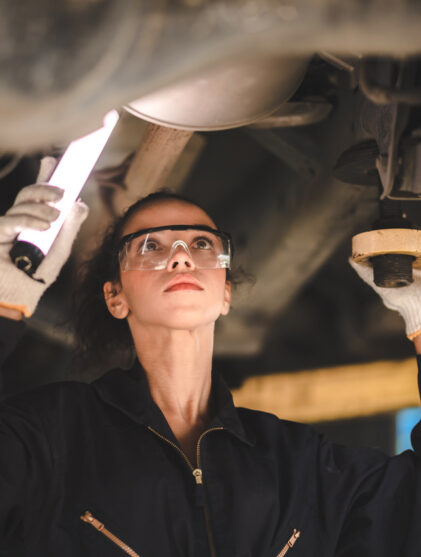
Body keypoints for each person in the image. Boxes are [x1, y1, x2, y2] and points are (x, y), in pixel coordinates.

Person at [0, 158, 421, 557]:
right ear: (116, 297)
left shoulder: (299, 465)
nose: (181, 255)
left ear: (225, 293)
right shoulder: (53, 437)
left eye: (202, 243)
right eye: (150, 246)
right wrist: (3, 306)